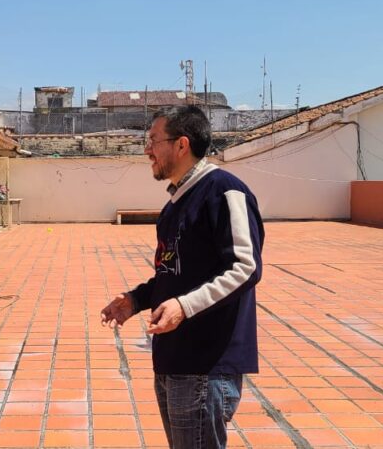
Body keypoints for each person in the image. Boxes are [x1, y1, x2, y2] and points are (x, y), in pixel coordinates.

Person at [100, 106, 264, 448]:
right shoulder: (175, 204)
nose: (147, 150)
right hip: (173, 358)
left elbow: (245, 267)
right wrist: (136, 300)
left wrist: (185, 307)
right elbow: (172, 272)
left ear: (181, 145)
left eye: (153, 140)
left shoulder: (224, 191)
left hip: (206, 364)